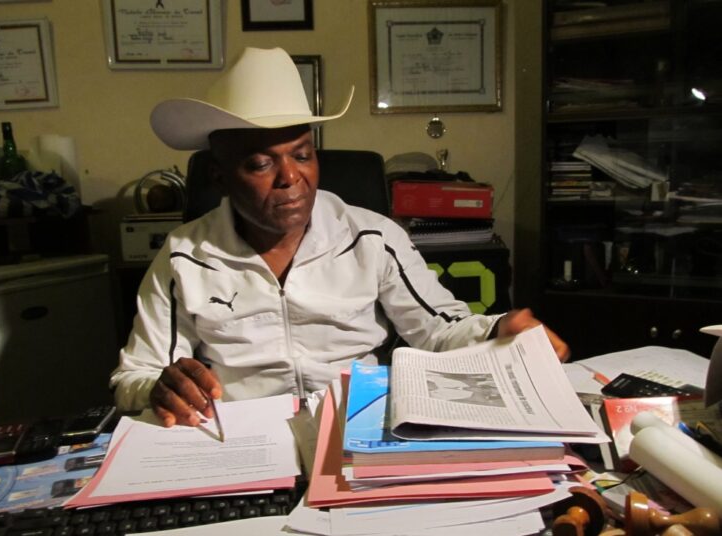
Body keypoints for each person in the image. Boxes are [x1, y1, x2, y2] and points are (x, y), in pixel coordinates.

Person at [110, 47, 569, 428]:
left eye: (302, 155)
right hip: (242, 436)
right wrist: (159, 387)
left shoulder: (374, 237)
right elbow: (135, 376)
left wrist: (497, 329)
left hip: (360, 425)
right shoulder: (184, 256)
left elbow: (438, 331)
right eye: (261, 163)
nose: (291, 178)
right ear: (219, 176)